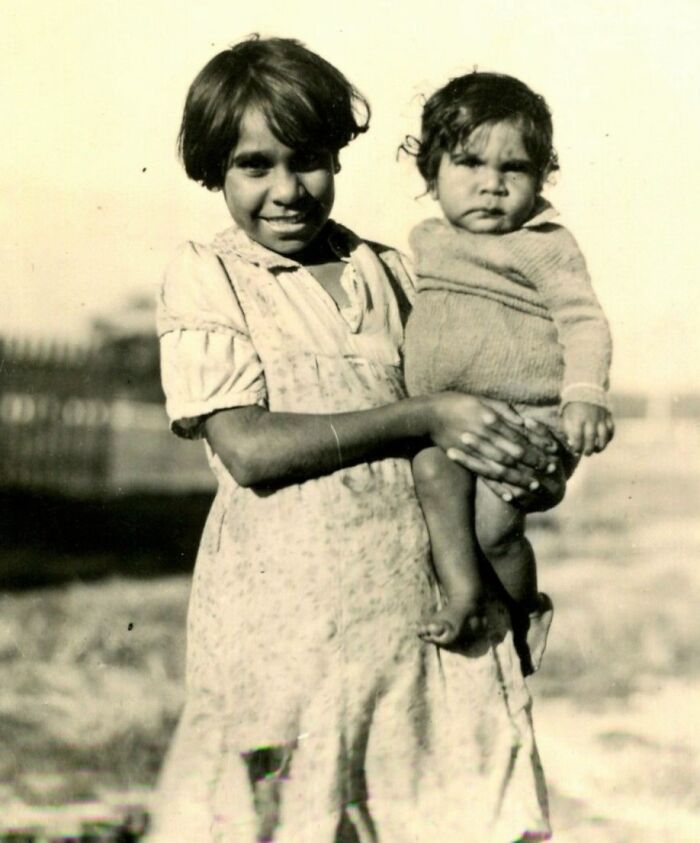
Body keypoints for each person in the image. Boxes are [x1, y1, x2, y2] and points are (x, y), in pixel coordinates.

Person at [147, 38, 562, 843]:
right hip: (285, 618)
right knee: (295, 816)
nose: (285, 190)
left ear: (337, 154)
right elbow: (250, 448)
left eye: (305, 161)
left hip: (418, 613)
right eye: (253, 166)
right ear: (214, 171)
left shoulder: (399, 272)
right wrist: (427, 415)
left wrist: (522, 459)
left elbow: (471, 409)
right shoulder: (209, 273)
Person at [402, 72, 614, 657]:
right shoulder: (425, 242)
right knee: (431, 476)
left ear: (541, 177)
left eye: (513, 169)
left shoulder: (545, 243)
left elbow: (583, 320)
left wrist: (585, 394)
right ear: (431, 172)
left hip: (528, 418)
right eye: (469, 163)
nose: (491, 186)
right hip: (443, 425)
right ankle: (466, 595)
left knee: (495, 528)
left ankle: (524, 616)